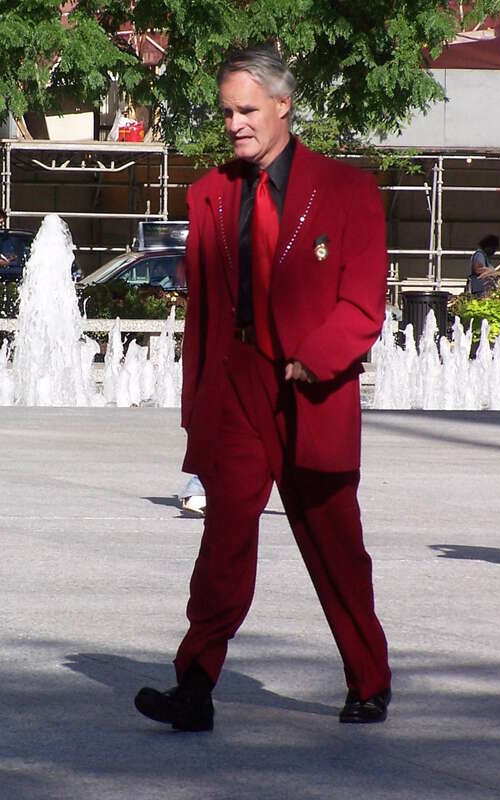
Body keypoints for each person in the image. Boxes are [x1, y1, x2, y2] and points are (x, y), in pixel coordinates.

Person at [135, 46, 391, 731]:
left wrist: (317, 356)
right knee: (221, 544)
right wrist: (198, 408)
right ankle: (194, 687)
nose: (234, 124)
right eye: (226, 112)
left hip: (311, 389)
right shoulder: (208, 194)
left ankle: (368, 679)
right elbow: (205, 317)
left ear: (283, 104)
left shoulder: (347, 191)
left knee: (333, 543)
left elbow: (363, 301)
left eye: (246, 110)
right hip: (238, 389)